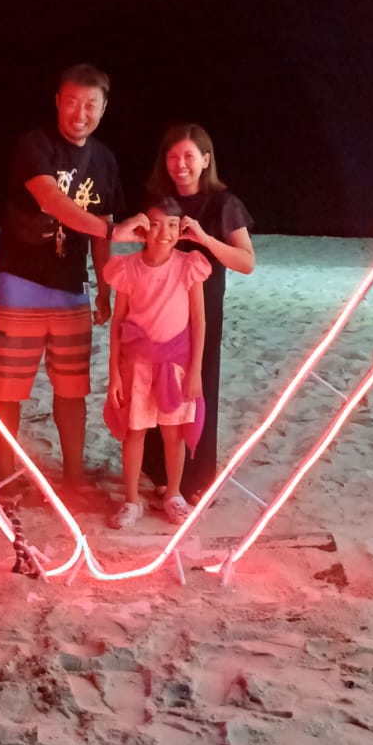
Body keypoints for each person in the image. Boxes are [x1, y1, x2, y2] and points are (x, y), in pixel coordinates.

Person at [0, 63, 126, 491]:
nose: (80, 113)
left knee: (72, 386)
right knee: (8, 386)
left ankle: (71, 477)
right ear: (57, 102)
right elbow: (51, 200)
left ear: (104, 108)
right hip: (22, 278)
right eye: (71, 102)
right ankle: (5, 474)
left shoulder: (104, 160)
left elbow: (103, 221)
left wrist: (105, 288)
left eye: (90, 104)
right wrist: (108, 229)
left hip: (71, 287)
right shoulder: (35, 145)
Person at [142, 124, 254, 502]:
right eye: (173, 157)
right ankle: (159, 472)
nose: (181, 165)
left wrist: (205, 239)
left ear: (205, 160)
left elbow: (246, 262)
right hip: (159, 309)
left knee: (199, 386)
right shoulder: (160, 201)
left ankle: (196, 477)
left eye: (189, 156)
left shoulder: (224, 203)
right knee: (159, 386)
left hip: (204, 310)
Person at [103, 198, 211, 529]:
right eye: (157, 224)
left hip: (175, 365)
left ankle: (173, 495)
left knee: (173, 434)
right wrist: (114, 376)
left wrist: (195, 372)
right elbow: (118, 322)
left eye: (172, 226)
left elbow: (199, 322)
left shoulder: (188, 265)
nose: (164, 233)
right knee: (134, 432)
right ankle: (132, 500)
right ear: (144, 228)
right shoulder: (128, 268)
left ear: (181, 230)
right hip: (135, 364)